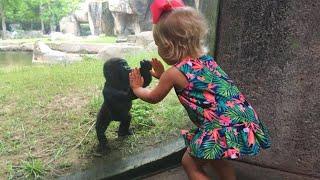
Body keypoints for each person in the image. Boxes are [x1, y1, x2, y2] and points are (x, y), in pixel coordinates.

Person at [129, 0, 271, 179]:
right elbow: (194, 83)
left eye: (158, 44)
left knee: (189, 163)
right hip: (240, 117)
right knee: (216, 158)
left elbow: (152, 97)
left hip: (219, 126)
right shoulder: (206, 60)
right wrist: (162, 76)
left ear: (168, 46)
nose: (158, 49)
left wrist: (136, 88)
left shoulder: (173, 74)